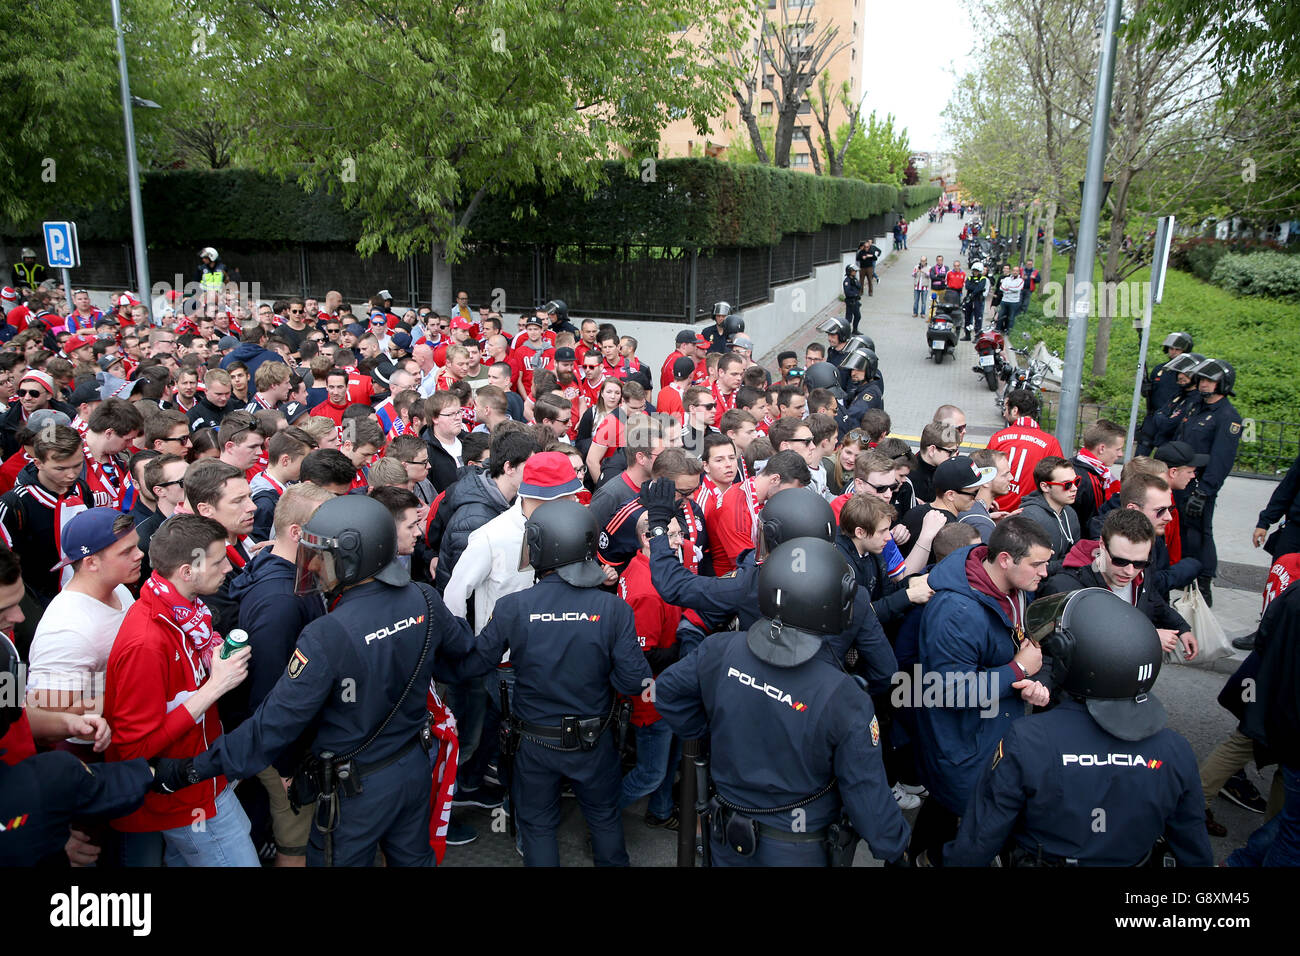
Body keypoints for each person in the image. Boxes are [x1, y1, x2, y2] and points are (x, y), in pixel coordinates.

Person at [154, 495, 479, 867]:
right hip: (413, 767)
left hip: (355, 790)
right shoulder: (422, 597)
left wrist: (189, 769)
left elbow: (272, 726)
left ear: (352, 557)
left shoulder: (327, 633)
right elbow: (464, 659)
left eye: (322, 555)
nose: (313, 565)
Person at [655, 538, 910, 866]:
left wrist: (713, 733)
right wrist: (894, 849)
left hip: (726, 834)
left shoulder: (718, 650)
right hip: (797, 847)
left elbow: (668, 693)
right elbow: (867, 795)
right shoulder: (845, 697)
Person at [435, 500, 651, 866]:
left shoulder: (513, 607)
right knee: (604, 818)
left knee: (537, 826)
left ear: (539, 547)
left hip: (533, 742)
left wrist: (429, 657)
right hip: (594, 742)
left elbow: (474, 665)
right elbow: (634, 680)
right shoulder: (614, 609)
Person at [945, 588, 1213, 866]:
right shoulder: (1176, 750)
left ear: (1071, 661)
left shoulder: (1030, 739)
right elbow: (1193, 844)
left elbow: (982, 835)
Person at [104, 514, 260, 866]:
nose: (228, 568)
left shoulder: (185, 612)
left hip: (204, 779)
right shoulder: (147, 642)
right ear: (187, 573)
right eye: (218, 561)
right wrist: (215, 687)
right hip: (185, 799)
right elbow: (133, 747)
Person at [910, 517, 1053, 864]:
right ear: (1005, 559)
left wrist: (1033, 683)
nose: (1045, 573)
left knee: (955, 816)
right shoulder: (956, 612)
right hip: (963, 745)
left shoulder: (1011, 588)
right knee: (959, 821)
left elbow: (1027, 651)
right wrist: (1018, 670)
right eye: (1037, 564)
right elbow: (949, 691)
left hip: (989, 735)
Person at [222, 482, 334, 866]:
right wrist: (285, 764)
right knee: (294, 841)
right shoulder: (280, 601)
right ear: (296, 533)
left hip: (292, 741)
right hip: (283, 749)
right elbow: (269, 690)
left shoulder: (294, 571)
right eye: (328, 526)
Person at [1042, 508, 1198, 663]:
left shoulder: (1143, 572)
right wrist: (1147, 637)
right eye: (1120, 561)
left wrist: (1181, 627)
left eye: (1139, 563)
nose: (1129, 572)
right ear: (1102, 544)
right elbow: (1053, 650)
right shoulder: (1065, 587)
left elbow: (1152, 599)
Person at [0, 423, 92, 607]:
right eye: (60, 468)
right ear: (38, 463)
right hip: (35, 601)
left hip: (81, 593)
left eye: (77, 465)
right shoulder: (14, 505)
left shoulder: (81, 489)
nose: (71, 474)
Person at [1174, 358, 1241, 606]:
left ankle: (1203, 581)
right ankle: (1186, 574)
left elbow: (1221, 460)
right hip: (1183, 480)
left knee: (1200, 532)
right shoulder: (1196, 408)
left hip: (1200, 484)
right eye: (1201, 379)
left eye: (1209, 380)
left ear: (1222, 383)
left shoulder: (1228, 417)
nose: (1203, 384)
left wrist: (1204, 492)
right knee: (1183, 530)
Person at [986, 388, 1063, 512]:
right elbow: (1059, 478)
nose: (1004, 414)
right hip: (1029, 513)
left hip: (995, 509)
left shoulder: (998, 437)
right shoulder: (1050, 443)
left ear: (1015, 410)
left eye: (1005, 409)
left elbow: (984, 470)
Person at [1016, 456, 1081, 571]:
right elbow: (1027, 565)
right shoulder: (1031, 517)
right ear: (1045, 487)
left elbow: (1076, 554)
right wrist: (1066, 564)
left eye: (1076, 481)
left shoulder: (1070, 514)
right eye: (1067, 484)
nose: (1074, 488)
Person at [1069, 419, 1125, 535]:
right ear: (1102, 448)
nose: (1121, 454)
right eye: (1118, 449)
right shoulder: (1086, 480)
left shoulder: (1083, 468)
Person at [842, 265, 863, 335]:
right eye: (854, 271)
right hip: (850, 302)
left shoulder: (854, 279)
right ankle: (845, 332)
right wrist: (855, 294)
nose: (855, 272)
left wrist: (856, 283)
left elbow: (860, 286)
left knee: (858, 316)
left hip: (856, 301)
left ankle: (855, 330)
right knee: (848, 319)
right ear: (849, 271)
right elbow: (847, 292)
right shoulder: (847, 281)